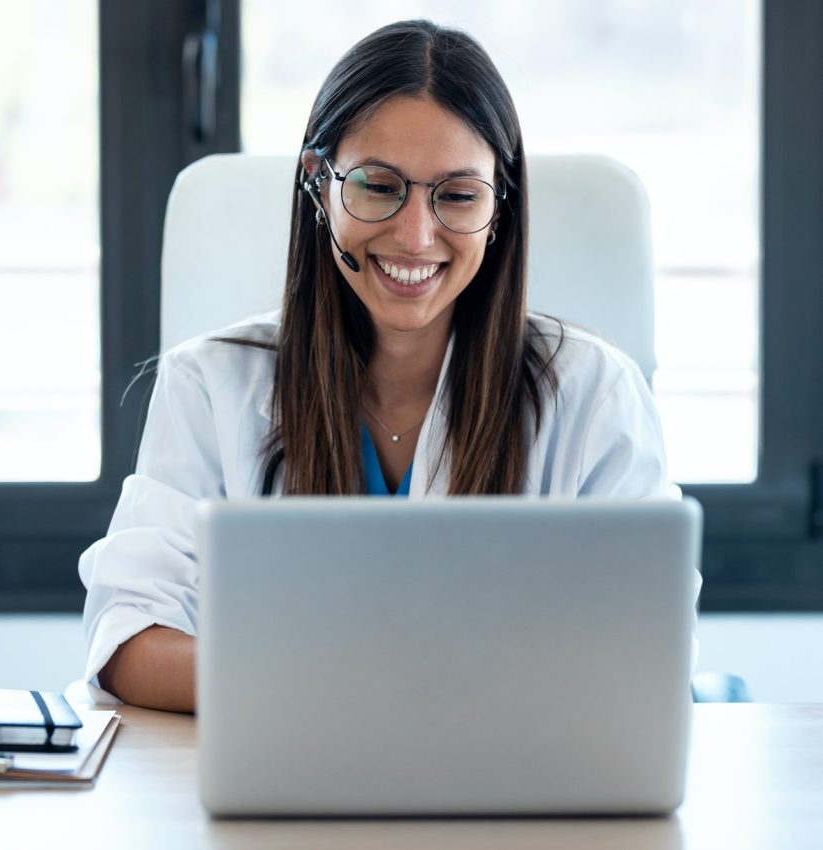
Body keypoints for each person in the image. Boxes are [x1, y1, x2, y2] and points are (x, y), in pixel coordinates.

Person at [79, 19, 680, 714]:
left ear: (499, 210)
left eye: (458, 195)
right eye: (377, 186)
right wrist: (350, 687)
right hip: (290, 768)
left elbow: (648, 647)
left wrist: (354, 682)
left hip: (511, 775)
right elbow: (127, 639)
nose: (416, 236)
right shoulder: (209, 387)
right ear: (319, 185)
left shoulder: (595, 395)